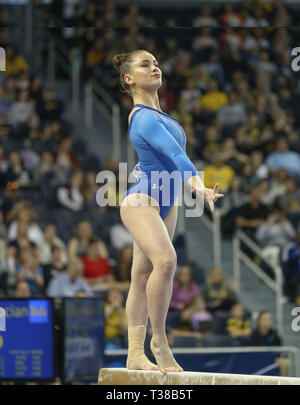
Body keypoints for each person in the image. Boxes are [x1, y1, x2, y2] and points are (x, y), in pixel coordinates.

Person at [112, 50, 223, 373]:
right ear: (129, 79)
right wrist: (197, 185)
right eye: (145, 64)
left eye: (156, 62)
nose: (155, 67)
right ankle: (158, 340)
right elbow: (175, 153)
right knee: (167, 260)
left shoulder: (161, 115)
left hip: (166, 201)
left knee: (142, 275)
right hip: (142, 200)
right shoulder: (143, 116)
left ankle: (134, 352)